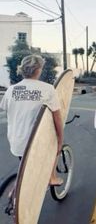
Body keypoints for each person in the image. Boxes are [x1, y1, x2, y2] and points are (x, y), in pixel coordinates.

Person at [0, 54, 64, 186]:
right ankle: (52, 177)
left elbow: (7, 110)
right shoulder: (48, 89)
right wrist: (60, 139)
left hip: (16, 142)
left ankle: (16, 193)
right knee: (53, 146)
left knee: (27, 170)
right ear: (39, 69)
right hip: (35, 144)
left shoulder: (11, 90)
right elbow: (57, 117)